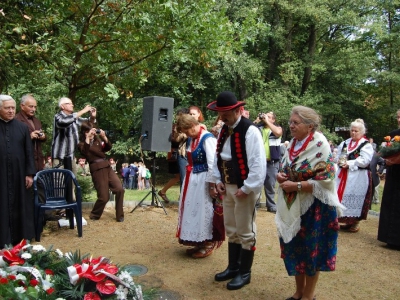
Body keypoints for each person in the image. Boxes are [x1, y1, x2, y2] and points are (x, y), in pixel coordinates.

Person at [276, 106, 344, 300]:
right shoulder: (292, 144)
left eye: (295, 123)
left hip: (316, 207)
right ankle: (298, 292)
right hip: (294, 204)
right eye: (290, 122)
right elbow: (285, 166)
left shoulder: (320, 144)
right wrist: (281, 175)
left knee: (312, 250)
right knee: (295, 247)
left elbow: (327, 179)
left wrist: (296, 185)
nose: (291, 126)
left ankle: (309, 295)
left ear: (310, 126)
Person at [207, 91, 266, 290]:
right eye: (220, 112)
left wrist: (248, 187)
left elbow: (258, 163)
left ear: (237, 110)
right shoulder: (224, 129)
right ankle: (233, 267)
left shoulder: (250, 130)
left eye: (225, 113)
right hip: (228, 186)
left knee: (245, 230)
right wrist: (217, 180)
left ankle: (245, 272)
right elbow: (218, 158)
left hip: (244, 188)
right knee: (231, 228)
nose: (222, 117)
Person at [175, 113, 223, 258]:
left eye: (186, 131)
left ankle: (208, 243)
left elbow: (212, 164)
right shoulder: (193, 138)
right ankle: (199, 242)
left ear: (191, 126)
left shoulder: (207, 139)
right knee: (194, 211)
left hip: (203, 181)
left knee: (204, 211)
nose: (186, 134)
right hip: (193, 181)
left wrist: (212, 186)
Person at [0, 95, 36, 247]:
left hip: (19, 174)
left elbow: (29, 152)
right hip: (1, 174)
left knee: (21, 205)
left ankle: (21, 239)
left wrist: (29, 174)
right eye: (7, 108)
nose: (10, 111)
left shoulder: (22, 128)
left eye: (12, 108)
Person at [78, 122, 124, 222]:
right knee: (104, 197)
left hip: (107, 166)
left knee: (119, 189)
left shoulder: (97, 141)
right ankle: (94, 215)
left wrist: (104, 137)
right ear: (85, 132)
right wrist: (88, 138)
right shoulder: (81, 143)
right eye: (90, 131)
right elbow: (84, 152)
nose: (93, 133)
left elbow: (108, 147)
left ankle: (120, 215)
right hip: (97, 169)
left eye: (94, 130)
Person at [335, 119, 373, 233]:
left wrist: (350, 163)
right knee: (340, 195)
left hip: (358, 176)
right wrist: (339, 161)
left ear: (362, 132)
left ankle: (355, 222)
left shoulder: (365, 145)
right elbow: (338, 154)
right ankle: (344, 220)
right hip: (343, 174)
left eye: (356, 131)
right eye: (352, 130)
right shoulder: (346, 142)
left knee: (355, 196)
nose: (353, 133)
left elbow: (365, 160)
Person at [51, 97, 96, 173]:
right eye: (69, 103)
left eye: (72, 103)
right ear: (62, 106)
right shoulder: (58, 116)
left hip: (71, 158)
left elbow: (87, 124)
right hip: (59, 158)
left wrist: (92, 117)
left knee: (72, 183)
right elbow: (64, 121)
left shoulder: (75, 118)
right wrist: (83, 111)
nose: (72, 105)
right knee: (58, 183)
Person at [378, 108, 400, 248]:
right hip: (394, 173)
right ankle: (388, 237)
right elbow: (384, 152)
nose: (399, 120)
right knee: (390, 203)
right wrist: (387, 160)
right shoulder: (393, 135)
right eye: (398, 117)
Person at [258, 111, 283, 213]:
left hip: (271, 162)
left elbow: (278, 133)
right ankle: (255, 204)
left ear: (273, 120)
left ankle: (271, 205)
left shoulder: (277, 129)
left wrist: (267, 121)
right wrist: (257, 120)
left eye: (269, 117)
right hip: (258, 162)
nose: (265, 118)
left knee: (270, 185)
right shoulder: (258, 129)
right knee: (256, 183)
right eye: (265, 116)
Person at [15, 94, 46, 172]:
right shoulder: (15, 120)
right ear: (22, 106)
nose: (33, 109)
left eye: (35, 107)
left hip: (38, 163)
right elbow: (12, 141)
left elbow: (43, 136)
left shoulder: (36, 121)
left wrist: (43, 136)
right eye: (31, 106)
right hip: (24, 163)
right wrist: (29, 137)